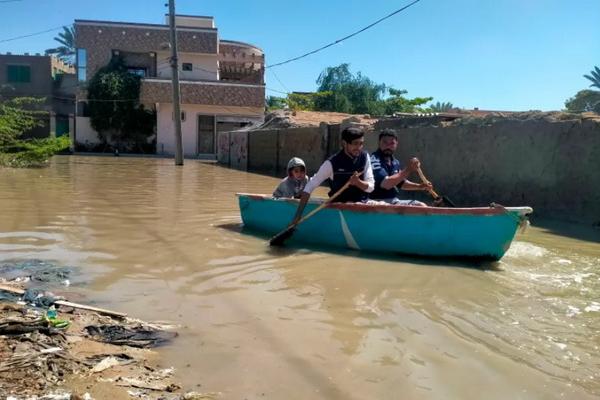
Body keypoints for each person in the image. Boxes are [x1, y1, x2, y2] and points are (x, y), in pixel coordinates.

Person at [289, 127, 375, 225]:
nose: (359, 147)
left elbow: (371, 187)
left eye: (361, 143)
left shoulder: (365, 157)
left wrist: (358, 183)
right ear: (344, 143)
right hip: (341, 205)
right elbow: (310, 186)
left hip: (363, 202)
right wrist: (298, 214)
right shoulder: (331, 163)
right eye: (355, 143)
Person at [369, 129, 432, 206]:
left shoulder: (395, 162)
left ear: (396, 144)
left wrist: (420, 186)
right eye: (385, 142)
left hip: (392, 200)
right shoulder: (374, 160)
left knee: (421, 206)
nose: (388, 146)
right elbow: (386, 184)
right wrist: (408, 169)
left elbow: (400, 183)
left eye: (392, 143)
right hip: (377, 201)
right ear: (379, 143)